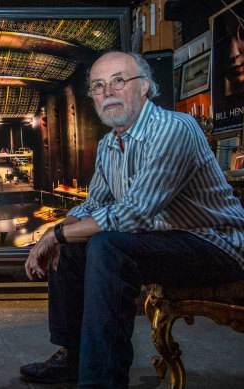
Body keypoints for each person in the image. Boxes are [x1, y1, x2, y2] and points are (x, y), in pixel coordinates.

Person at [20, 51, 244, 388]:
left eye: (118, 81)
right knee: (74, 245)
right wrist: (54, 234)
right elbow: (94, 205)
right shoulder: (109, 144)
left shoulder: (174, 128)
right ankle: (74, 356)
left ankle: (102, 381)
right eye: (98, 85)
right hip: (163, 240)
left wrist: (58, 235)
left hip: (215, 244)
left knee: (107, 246)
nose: (107, 91)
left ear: (145, 88)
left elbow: (135, 212)